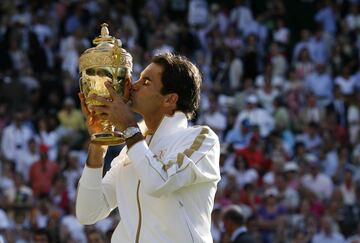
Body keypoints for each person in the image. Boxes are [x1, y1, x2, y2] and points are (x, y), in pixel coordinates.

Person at [76, 53, 221, 242]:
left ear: (170, 99)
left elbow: (157, 182)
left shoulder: (202, 139)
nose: (133, 85)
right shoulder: (132, 148)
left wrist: (129, 126)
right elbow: (88, 212)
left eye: (146, 82)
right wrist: (98, 143)